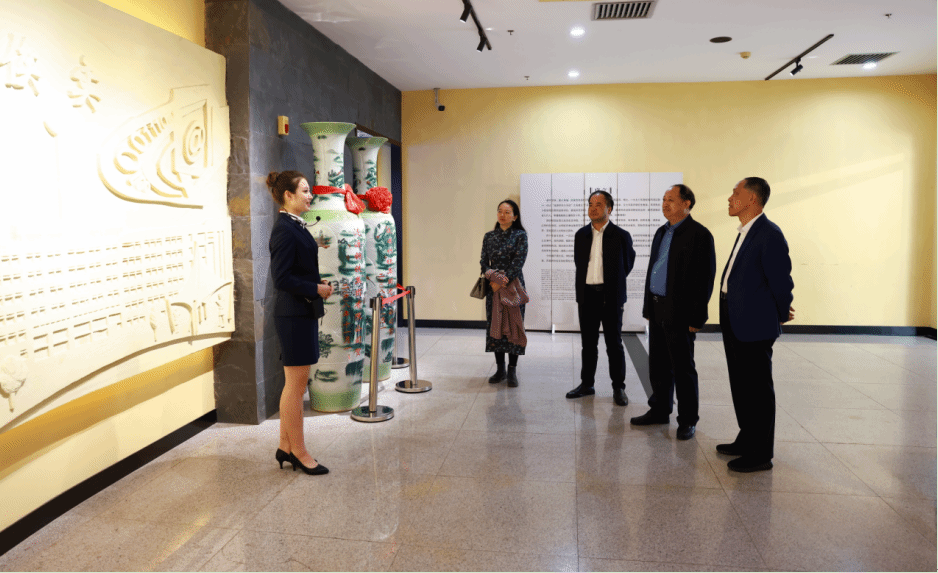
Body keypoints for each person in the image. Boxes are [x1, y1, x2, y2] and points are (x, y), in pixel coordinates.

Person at [718, 177, 794, 472]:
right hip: (735, 317)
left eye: (735, 192)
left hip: (754, 323)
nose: (730, 198)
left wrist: (780, 312)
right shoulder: (746, 231)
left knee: (758, 390)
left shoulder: (769, 233)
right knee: (741, 385)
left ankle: (761, 453)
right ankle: (747, 438)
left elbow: (781, 280)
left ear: (752, 199)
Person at [630, 184, 716, 440]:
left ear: (687, 203)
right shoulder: (662, 232)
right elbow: (654, 269)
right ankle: (660, 409)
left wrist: (697, 316)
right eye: (663, 199)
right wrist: (648, 305)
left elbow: (705, 279)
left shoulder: (700, 234)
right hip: (657, 306)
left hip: (681, 310)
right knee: (658, 364)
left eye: (671, 199)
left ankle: (688, 420)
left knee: (683, 367)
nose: (665, 204)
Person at [267, 170, 334, 476]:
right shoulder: (284, 229)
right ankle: (300, 452)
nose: (310, 195)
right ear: (288, 195)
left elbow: (297, 269)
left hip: (300, 312)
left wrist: (316, 284)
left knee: (295, 385)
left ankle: (285, 445)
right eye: (305, 191)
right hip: (293, 315)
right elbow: (281, 278)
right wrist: (314, 289)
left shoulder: (293, 224)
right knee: (296, 388)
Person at [566, 190, 635, 406]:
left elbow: (627, 264)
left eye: (598, 204)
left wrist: (612, 283)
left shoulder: (621, 235)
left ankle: (618, 387)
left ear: (609, 208)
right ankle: (587, 384)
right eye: (590, 204)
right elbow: (579, 263)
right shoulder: (581, 235)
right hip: (587, 296)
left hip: (611, 297)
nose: (593, 208)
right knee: (588, 344)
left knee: (614, 344)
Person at [481, 199, 528, 387]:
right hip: (493, 288)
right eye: (500, 211)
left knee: (514, 326)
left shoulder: (520, 235)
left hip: (513, 287)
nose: (503, 215)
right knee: (496, 326)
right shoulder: (489, 236)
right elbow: (483, 262)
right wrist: (492, 278)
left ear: (515, 216)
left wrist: (501, 281)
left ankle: (512, 370)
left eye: (507, 212)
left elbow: (519, 262)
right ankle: (500, 369)